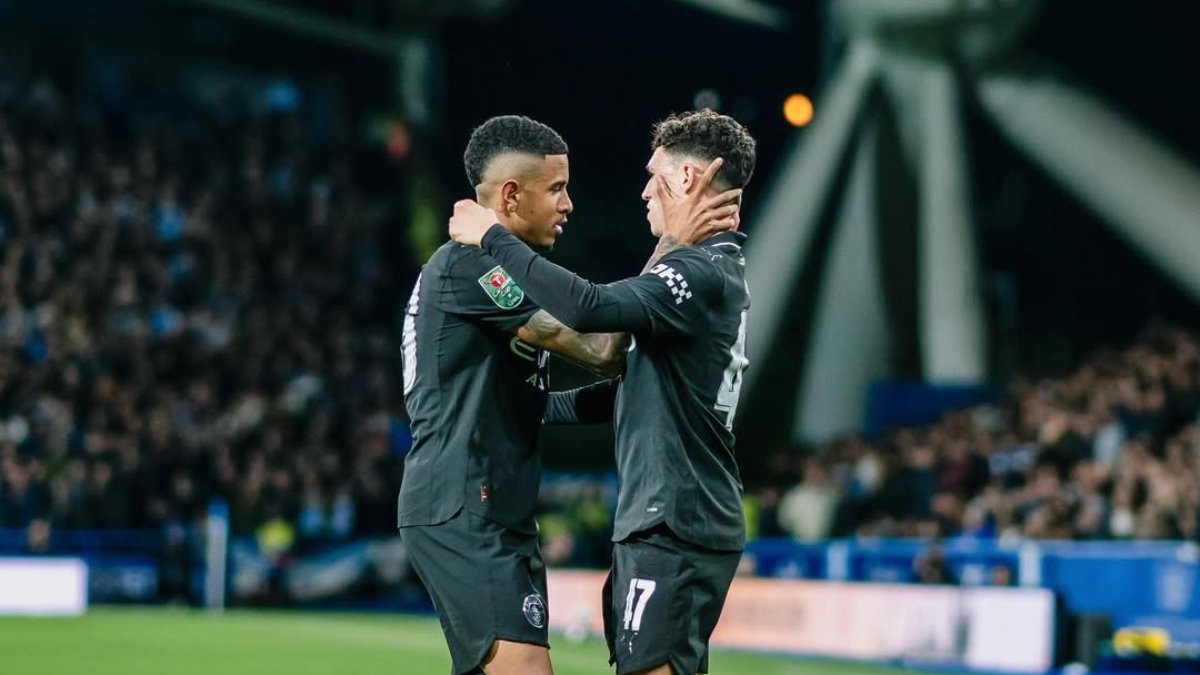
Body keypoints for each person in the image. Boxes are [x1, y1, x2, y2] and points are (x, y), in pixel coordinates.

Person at [399, 114, 736, 675]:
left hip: (496, 505)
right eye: (556, 188)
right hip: (460, 501)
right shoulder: (471, 263)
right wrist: (674, 245)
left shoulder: (492, 279)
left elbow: (543, 402)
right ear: (510, 196)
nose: (569, 204)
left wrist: (667, 390)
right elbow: (600, 347)